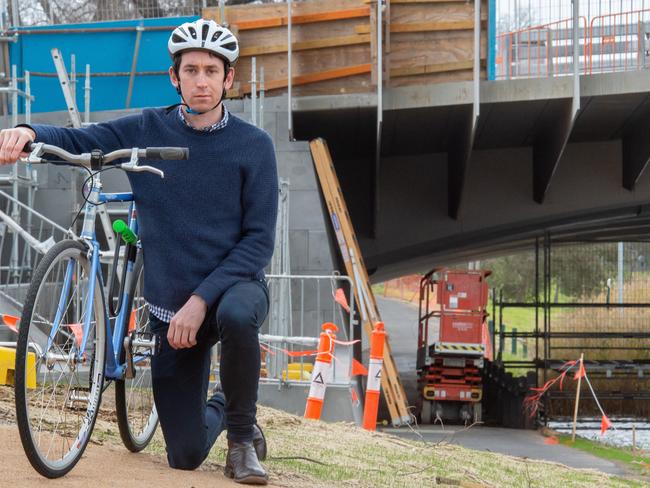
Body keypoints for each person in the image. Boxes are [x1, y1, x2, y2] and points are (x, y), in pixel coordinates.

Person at [0, 19, 277, 486]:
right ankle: (224, 408)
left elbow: (258, 243)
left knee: (236, 312)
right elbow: (84, 138)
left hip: (232, 289)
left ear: (229, 78)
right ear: (175, 77)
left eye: (212, 70)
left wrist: (201, 299)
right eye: (191, 70)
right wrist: (28, 131)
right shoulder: (149, 127)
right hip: (171, 313)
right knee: (184, 455)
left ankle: (243, 441)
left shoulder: (254, 146)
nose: (202, 81)